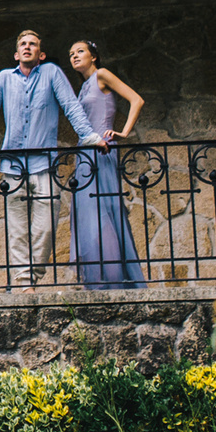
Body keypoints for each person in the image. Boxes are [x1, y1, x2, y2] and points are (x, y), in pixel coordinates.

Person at [0, 29, 98, 282]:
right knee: (18, 230)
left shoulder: (52, 72)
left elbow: (70, 106)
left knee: (46, 227)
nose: (27, 47)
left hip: (45, 164)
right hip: (13, 166)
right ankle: (24, 282)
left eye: (33, 44)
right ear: (16, 53)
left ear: (41, 54)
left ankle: (32, 274)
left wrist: (90, 137)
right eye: (23, 44)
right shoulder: (4, 78)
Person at [65, 39, 147, 289]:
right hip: (85, 154)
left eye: (80, 51)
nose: (75, 56)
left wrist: (123, 132)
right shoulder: (82, 87)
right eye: (71, 54)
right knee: (88, 214)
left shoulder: (102, 75)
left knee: (104, 211)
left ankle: (114, 281)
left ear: (94, 57)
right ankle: (98, 279)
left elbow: (136, 100)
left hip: (102, 151)